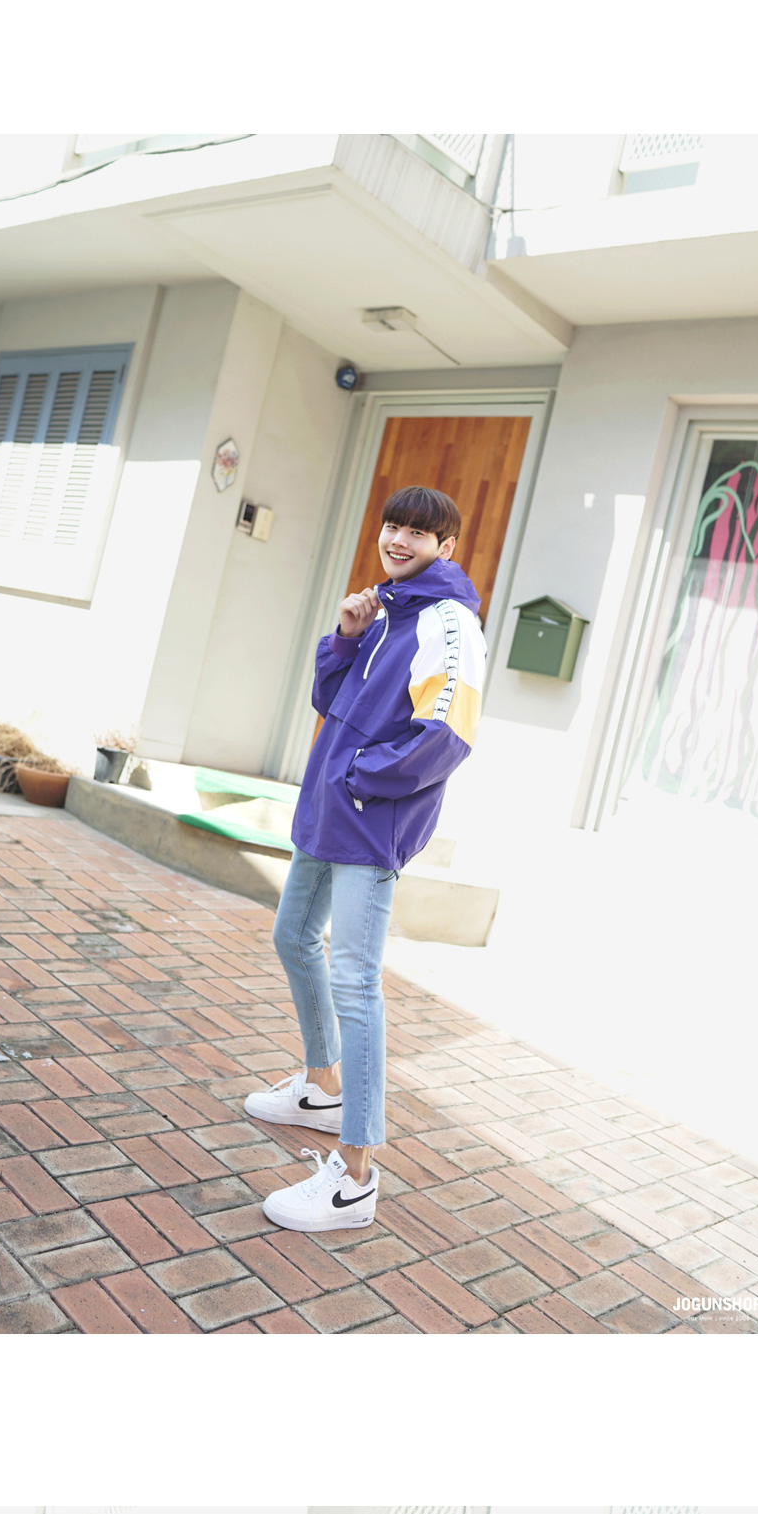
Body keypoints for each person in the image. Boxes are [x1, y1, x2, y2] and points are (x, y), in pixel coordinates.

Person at [245, 483, 486, 1239]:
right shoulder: (386, 609)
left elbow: (448, 735)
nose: (399, 539)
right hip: (328, 813)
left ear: (446, 547)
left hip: (368, 823)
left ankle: (355, 1177)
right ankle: (322, 1085)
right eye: (393, 525)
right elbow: (330, 700)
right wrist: (346, 637)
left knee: (355, 982)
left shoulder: (449, 622)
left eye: (419, 532)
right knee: (292, 937)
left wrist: (360, 780)